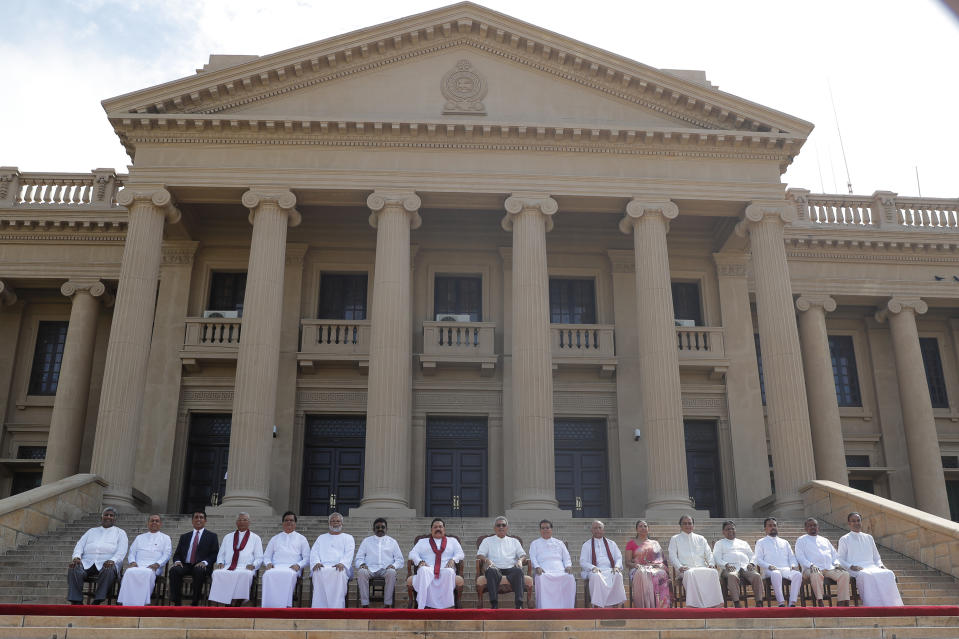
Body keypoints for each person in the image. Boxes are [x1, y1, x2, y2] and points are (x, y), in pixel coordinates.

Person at [838, 512, 903, 607]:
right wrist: (851, 566)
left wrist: (881, 565)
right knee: (866, 575)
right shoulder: (844, 539)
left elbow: (876, 557)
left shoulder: (869, 537)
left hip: (872, 566)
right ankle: (872, 605)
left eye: (858, 520)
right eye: (853, 521)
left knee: (888, 573)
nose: (856, 523)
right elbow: (840, 558)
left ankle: (892, 604)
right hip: (855, 568)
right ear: (849, 523)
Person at [67, 506, 128, 605]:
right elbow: (80, 545)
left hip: (106, 563)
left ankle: (98, 599)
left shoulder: (120, 533)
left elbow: (122, 551)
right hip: (87, 562)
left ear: (115, 518)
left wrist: (112, 560)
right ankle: (76, 600)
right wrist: (77, 557)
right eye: (106, 515)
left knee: (109, 568)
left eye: (111, 515)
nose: (108, 517)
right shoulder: (91, 531)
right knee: (73, 567)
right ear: (101, 517)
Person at [208, 512, 263, 606]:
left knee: (246, 574)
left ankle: (239, 600)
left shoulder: (255, 538)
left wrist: (253, 565)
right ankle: (221, 600)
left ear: (249, 522)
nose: (242, 522)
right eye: (239, 520)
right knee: (217, 573)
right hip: (228, 565)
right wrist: (221, 562)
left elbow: (259, 557)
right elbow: (221, 554)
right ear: (236, 523)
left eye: (244, 520)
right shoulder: (228, 537)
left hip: (246, 567)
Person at [668, 514, 722, 608]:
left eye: (690, 523)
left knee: (713, 572)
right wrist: (679, 566)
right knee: (690, 573)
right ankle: (694, 605)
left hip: (701, 566)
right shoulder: (675, 538)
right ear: (680, 525)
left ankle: (715, 604)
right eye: (685, 523)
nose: (688, 525)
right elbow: (672, 555)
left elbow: (709, 553)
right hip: (685, 569)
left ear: (693, 525)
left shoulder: (700, 538)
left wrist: (711, 564)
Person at [409, 518, 465, 609]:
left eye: (440, 527)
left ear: (444, 529)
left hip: (445, 569)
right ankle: (422, 605)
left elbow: (461, 554)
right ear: (431, 530)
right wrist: (420, 561)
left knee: (450, 572)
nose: (438, 529)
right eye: (435, 527)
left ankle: (446, 606)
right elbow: (412, 554)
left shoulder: (453, 541)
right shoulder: (422, 542)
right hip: (428, 569)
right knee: (423, 570)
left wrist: (453, 559)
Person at [117, 514, 171, 606]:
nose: (154, 522)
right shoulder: (139, 537)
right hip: (137, 565)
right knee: (129, 572)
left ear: (160, 524)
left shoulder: (165, 538)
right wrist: (132, 562)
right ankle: (125, 602)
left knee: (148, 573)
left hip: (154, 567)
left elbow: (167, 554)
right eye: (152, 520)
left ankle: (143, 603)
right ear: (148, 523)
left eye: (157, 521)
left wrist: (157, 564)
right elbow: (132, 552)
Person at [795, 517, 850, 607]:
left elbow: (835, 555)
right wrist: (811, 565)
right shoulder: (801, 540)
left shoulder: (825, 540)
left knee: (844, 574)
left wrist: (836, 564)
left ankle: (842, 601)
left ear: (818, 527)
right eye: (810, 526)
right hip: (810, 569)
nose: (813, 527)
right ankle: (820, 601)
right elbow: (800, 556)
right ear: (805, 528)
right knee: (815, 573)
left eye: (815, 525)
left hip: (828, 568)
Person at [261, 511, 311, 608]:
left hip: (293, 567)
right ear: (283, 523)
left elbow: (307, 558)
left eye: (291, 520)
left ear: (295, 523)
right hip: (276, 566)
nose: (289, 522)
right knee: (267, 574)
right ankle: (269, 606)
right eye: (286, 520)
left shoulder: (302, 539)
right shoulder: (275, 538)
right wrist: (268, 563)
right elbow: (266, 556)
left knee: (289, 574)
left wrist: (299, 565)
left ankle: (286, 605)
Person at [169, 510, 219, 606]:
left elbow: (214, 554)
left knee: (199, 570)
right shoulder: (184, 537)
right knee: (174, 570)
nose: (198, 519)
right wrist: (178, 561)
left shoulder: (212, 536)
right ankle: (176, 601)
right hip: (185, 565)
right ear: (192, 521)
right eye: (196, 517)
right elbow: (177, 554)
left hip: (201, 565)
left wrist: (205, 562)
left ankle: (195, 601)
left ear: (205, 521)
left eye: (201, 517)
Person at [476, 516, 527, 609]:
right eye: (498, 525)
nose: (501, 527)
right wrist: (486, 560)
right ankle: (494, 604)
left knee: (519, 572)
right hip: (495, 567)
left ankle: (519, 604)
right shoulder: (487, 540)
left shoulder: (514, 541)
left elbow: (523, 555)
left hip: (511, 568)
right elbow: (479, 555)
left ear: (507, 528)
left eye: (503, 525)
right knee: (491, 571)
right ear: (494, 528)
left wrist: (520, 560)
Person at [712, 520, 763, 608]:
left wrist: (752, 563)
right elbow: (716, 557)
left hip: (745, 567)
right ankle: (736, 602)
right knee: (732, 575)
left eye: (732, 529)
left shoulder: (743, 543)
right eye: (728, 529)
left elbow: (752, 555)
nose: (731, 531)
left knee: (757, 576)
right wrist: (726, 564)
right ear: (723, 532)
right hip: (729, 568)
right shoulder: (719, 543)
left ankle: (759, 602)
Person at [355, 517, 404, 608]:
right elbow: (359, 558)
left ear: (386, 529)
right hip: (370, 569)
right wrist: (362, 564)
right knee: (361, 572)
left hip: (386, 569)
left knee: (392, 572)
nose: (380, 529)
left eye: (382, 527)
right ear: (373, 529)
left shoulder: (392, 542)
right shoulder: (366, 541)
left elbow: (400, 560)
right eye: (377, 527)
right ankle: (365, 604)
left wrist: (394, 565)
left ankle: (387, 604)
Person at [310, 512, 355, 608]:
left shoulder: (348, 537)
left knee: (340, 572)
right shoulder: (321, 538)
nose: (335, 523)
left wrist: (342, 563)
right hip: (322, 565)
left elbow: (349, 553)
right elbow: (314, 552)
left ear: (342, 523)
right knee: (317, 572)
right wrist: (317, 562)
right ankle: (319, 607)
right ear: (329, 523)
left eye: (338, 521)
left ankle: (337, 607)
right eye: (333, 521)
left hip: (340, 566)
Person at [755, 517, 802, 607]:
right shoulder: (761, 542)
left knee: (798, 574)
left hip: (785, 569)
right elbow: (758, 559)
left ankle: (792, 603)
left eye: (774, 525)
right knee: (776, 573)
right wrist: (769, 566)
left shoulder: (784, 542)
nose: (773, 527)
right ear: (765, 528)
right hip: (769, 570)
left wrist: (793, 565)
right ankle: (781, 603)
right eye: (770, 526)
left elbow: (792, 557)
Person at [528, 519, 575, 609]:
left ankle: (566, 608)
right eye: (543, 528)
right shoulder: (535, 543)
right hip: (543, 570)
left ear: (551, 529)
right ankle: (545, 608)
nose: (545, 530)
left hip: (560, 569)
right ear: (540, 530)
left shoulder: (559, 543)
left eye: (547, 528)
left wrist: (568, 566)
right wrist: (537, 567)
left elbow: (566, 557)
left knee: (569, 577)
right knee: (541, 578)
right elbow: (532, 557)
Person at [579, 520, 626, 608]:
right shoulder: (586, 545)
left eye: (599, 528)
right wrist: (593, 567)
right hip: (595, 570)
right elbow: (583, 561)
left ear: (603, 530)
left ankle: (615, 603)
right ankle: (598, 604)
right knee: (595, 576)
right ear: (591, 530)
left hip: (610, 569)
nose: (597, 530)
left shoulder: (612, 543)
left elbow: (619, 557)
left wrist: (616, 566)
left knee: (618, 575)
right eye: (595, 528)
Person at [625, 520, 671, 608]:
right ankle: (646, 607)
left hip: (654, 568)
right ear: (636, 529)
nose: (643, 528)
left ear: (648, 529)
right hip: (637, 569)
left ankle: (662, 606)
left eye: (645, 526)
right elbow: (627, 562)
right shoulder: (631, 543)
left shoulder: (655, 543)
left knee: (662, 573)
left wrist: (658, 565)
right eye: (640, 526)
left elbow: (661, 560)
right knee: (644, 573)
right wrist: (636, 565)